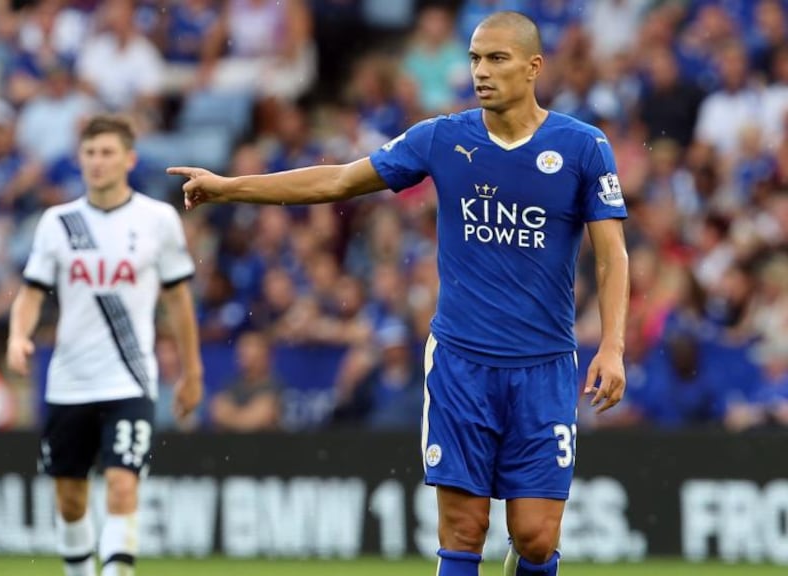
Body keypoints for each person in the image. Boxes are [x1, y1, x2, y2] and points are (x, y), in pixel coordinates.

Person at [169, 12, 629, 576]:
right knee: (464, 529)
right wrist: (230, 187)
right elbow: (338, 179)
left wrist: (612, 346)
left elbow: (612, 255)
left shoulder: (582, 147)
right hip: (462, 362)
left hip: (544, 366)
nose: (481, 71)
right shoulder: (442, 138)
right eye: (475, 59)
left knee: (535, 538)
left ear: (534, 67)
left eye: (497, 59)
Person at [8, 114, 203, 576]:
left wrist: (192, 373)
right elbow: (31, 293)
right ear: (80, 159)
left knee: (122, 485)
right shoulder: (59, 222)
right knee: (70, 497)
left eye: (108, 152)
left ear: (129, 159)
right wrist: (18, 335)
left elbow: (179, 302)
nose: (98, 162)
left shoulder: (158, 220)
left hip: (130, 378)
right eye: (91, 153)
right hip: (70, 380)